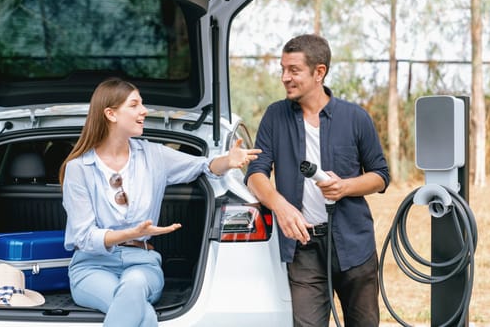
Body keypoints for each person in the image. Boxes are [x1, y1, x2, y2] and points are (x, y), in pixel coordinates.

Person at [59, 77, 261, 327]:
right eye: (134, 105)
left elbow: (203, 166)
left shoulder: (153, 155)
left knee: (132, 287)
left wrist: (227, 161)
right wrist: (130, 233)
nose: (144, 111)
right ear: (110, 114)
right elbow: (83, 237)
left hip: (142, 264)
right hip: (91, 268)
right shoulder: (78, 169)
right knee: (138, 310)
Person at [245, 34, 390, 326]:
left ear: (319, 72)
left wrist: (345, 187)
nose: (285, 77)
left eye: (294, 70)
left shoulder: (355, 118)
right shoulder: (275, 116)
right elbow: (255, 174)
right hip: (303, 248)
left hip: (353, 244)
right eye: (283, 69)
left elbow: (381, 176)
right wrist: (281, 207)